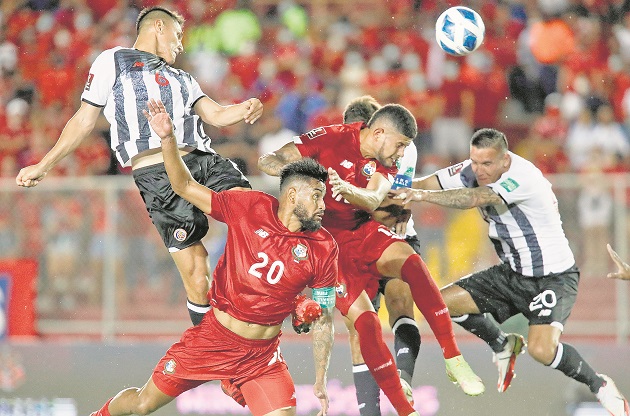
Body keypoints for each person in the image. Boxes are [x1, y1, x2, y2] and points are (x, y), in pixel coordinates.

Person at [15, 6, 264, 326]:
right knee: (198, 277)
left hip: (201, 160)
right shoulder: (113, 60)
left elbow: (216, 115)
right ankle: (211, 347)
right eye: (177, 36)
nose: (181, 45)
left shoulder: (184, 78)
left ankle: (279, 292)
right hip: (156, 173)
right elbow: (84, 120)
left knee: (254, 210)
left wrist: (244, 108)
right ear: (158, 27)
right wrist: (44, 164)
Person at [89, 98, 337, 416]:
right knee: (141, 404)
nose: (323, 204)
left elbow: (324, 315)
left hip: (261, 357)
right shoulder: (250, 207)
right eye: (316, 196)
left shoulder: (324, 246)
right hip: (213, 339)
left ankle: (238, 380)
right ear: (291, 195)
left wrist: (307, 319)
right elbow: (183, 185)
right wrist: (167, 140)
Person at [258, 102, 485, 413]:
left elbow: (373, 197)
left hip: (364, 231)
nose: (403, 153)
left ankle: (453, 356)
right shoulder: (331, 137)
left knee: (412, 266)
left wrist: (346, 189)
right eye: (401, 145)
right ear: (376, 132)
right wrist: (296, 174)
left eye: (406, 146)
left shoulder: (386, 161)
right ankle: (402, 411)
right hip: (327, 249)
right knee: (365, 325)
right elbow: (276, 158)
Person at [390, 127, 630, 416]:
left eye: (487, 164)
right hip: (512, 273)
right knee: (437, 303)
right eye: (474, 162)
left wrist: (416, 195)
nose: (478, 170)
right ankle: (502, 343)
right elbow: (430, 181)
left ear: (505, 160)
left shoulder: (523, 177)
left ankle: (599, 385)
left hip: (551, 278)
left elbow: (475, 198)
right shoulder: (474, 167)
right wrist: (395, 189)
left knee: (542, 351)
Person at [341, 96, 421, 415]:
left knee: (400, 298)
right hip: (353, 245)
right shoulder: (337, 155)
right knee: (361, 327)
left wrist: (389, 207)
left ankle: (404, 380)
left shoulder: (403, 148)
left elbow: (392, 204)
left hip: (397, 236)